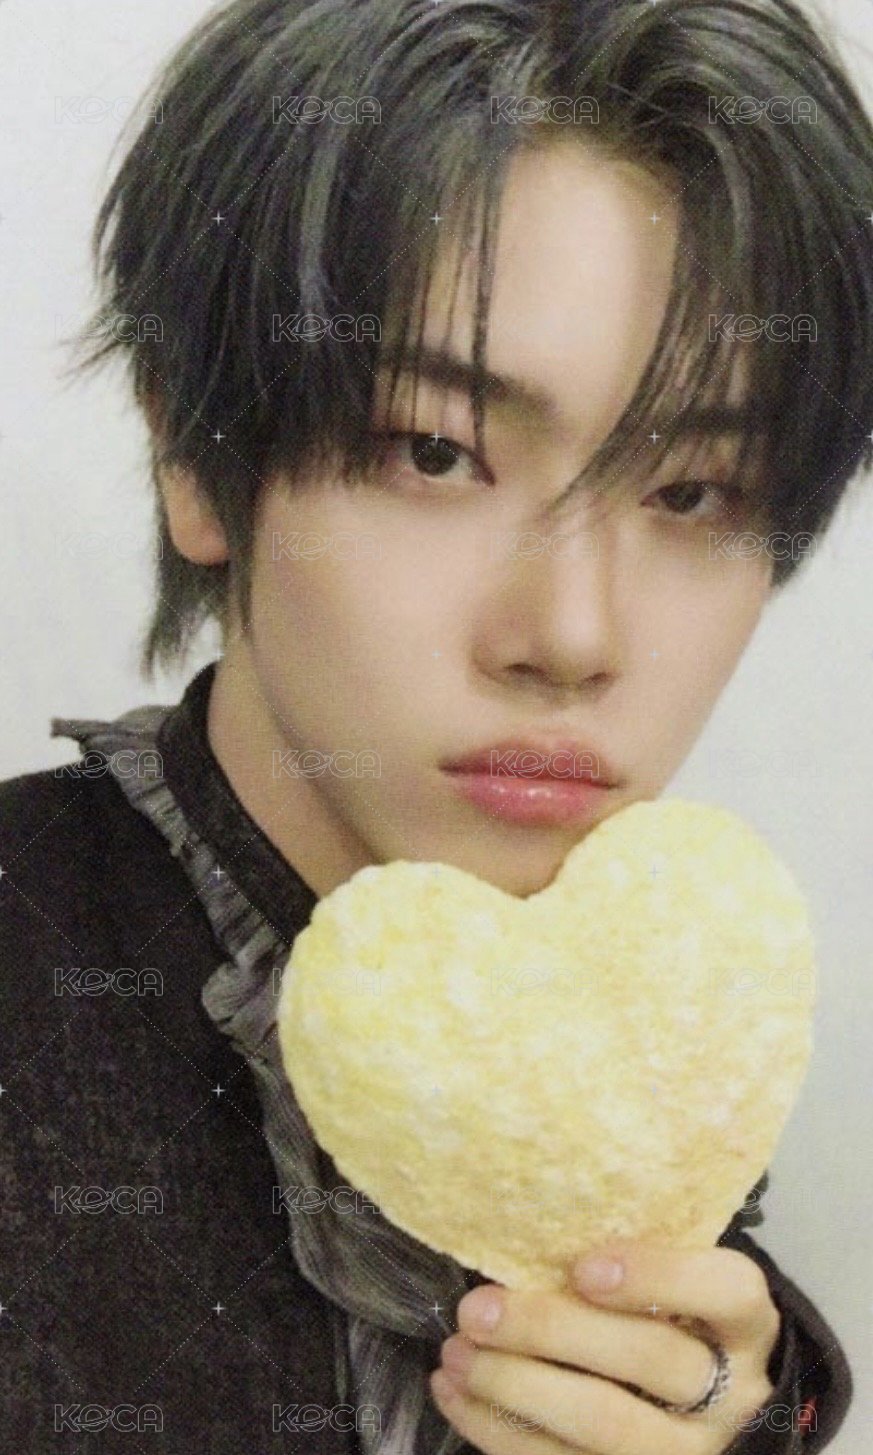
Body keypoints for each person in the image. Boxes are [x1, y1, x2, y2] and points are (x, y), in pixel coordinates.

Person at [2, 0, 870, 1450]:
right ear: (194, 458)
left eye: (693, 491)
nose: (572, 637)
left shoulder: (655, 1020)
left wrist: (746, 1419)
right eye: (435, 451)